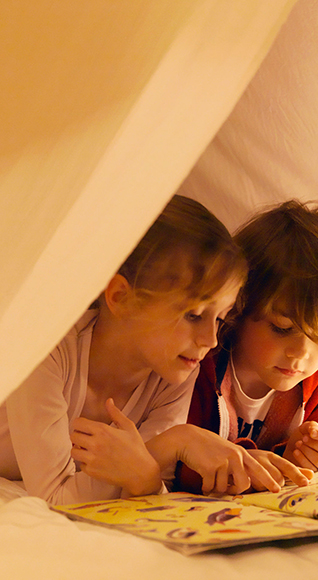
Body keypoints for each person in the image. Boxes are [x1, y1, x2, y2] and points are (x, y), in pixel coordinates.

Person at [0, 195, 293, 504]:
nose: (211, 340)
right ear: (120, 297)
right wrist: (174, 443)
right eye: (193, 315)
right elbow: (55, 497)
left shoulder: (174, 372)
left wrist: (149, 473)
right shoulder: (47, 350)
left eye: (220, 318)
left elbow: (146, 483)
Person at [176, 199, 318, 493]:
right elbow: (172, 462)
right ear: (239, 307)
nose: (301, 352)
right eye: (281, 328)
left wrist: (308, 456)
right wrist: (242, 464)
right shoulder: (198, 362)